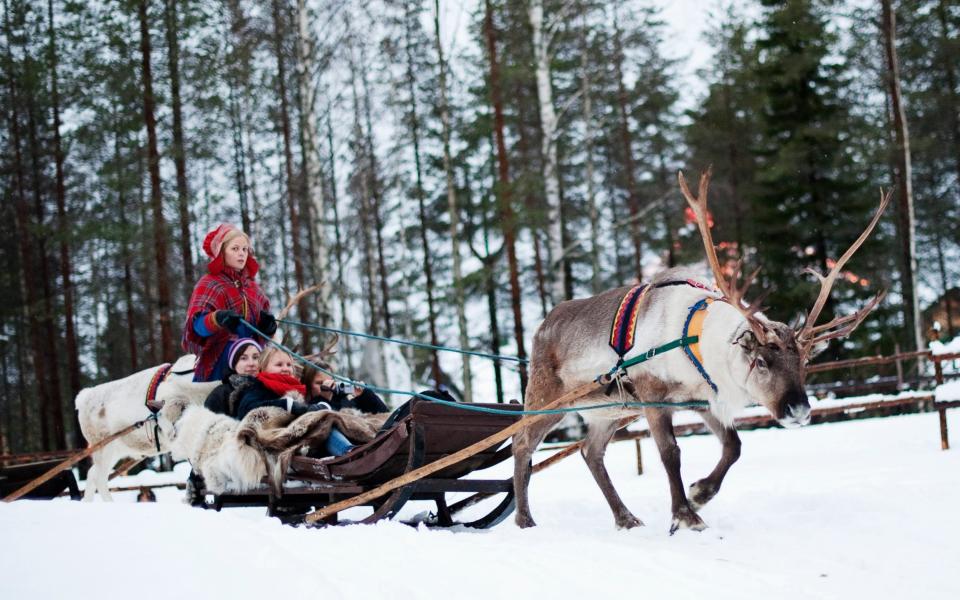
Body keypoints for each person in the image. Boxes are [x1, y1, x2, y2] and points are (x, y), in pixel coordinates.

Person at [182, 223, 276, 382]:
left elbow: (261, 336)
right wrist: (217, 319)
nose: (241, 254)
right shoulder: (210, 283)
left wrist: (268, 329)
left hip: (253, 364)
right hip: (220, 363)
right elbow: (196, 327)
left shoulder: (253, 288)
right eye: (235, 249)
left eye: (245, 249)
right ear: (221, 252)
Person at [234, 347, 356, 456]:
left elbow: (308, 409)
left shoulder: (296, 389)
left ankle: (355, 451)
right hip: (272, 439)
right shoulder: (259, 386)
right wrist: (286, 405)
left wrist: (323, 402)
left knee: (326, 423)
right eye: (279, 364)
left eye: (288, 365)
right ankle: (348, 453)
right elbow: (247, 408)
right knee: (320, 427)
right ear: (263, 368)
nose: (285, 368)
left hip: (297, 436)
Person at [204, 338, 261, 417]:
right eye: (243, 358)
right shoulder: (220, 394)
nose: (251, 363)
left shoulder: (271, 389)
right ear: (234, 364)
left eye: (255, 357)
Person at [301, 363, 389, 415]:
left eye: (330, 381)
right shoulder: (306, 406)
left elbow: (384, 413)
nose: (327, 385)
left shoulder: (344, 396)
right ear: (308, 385)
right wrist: (325, 399)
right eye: (319, 383)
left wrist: (364, 394)